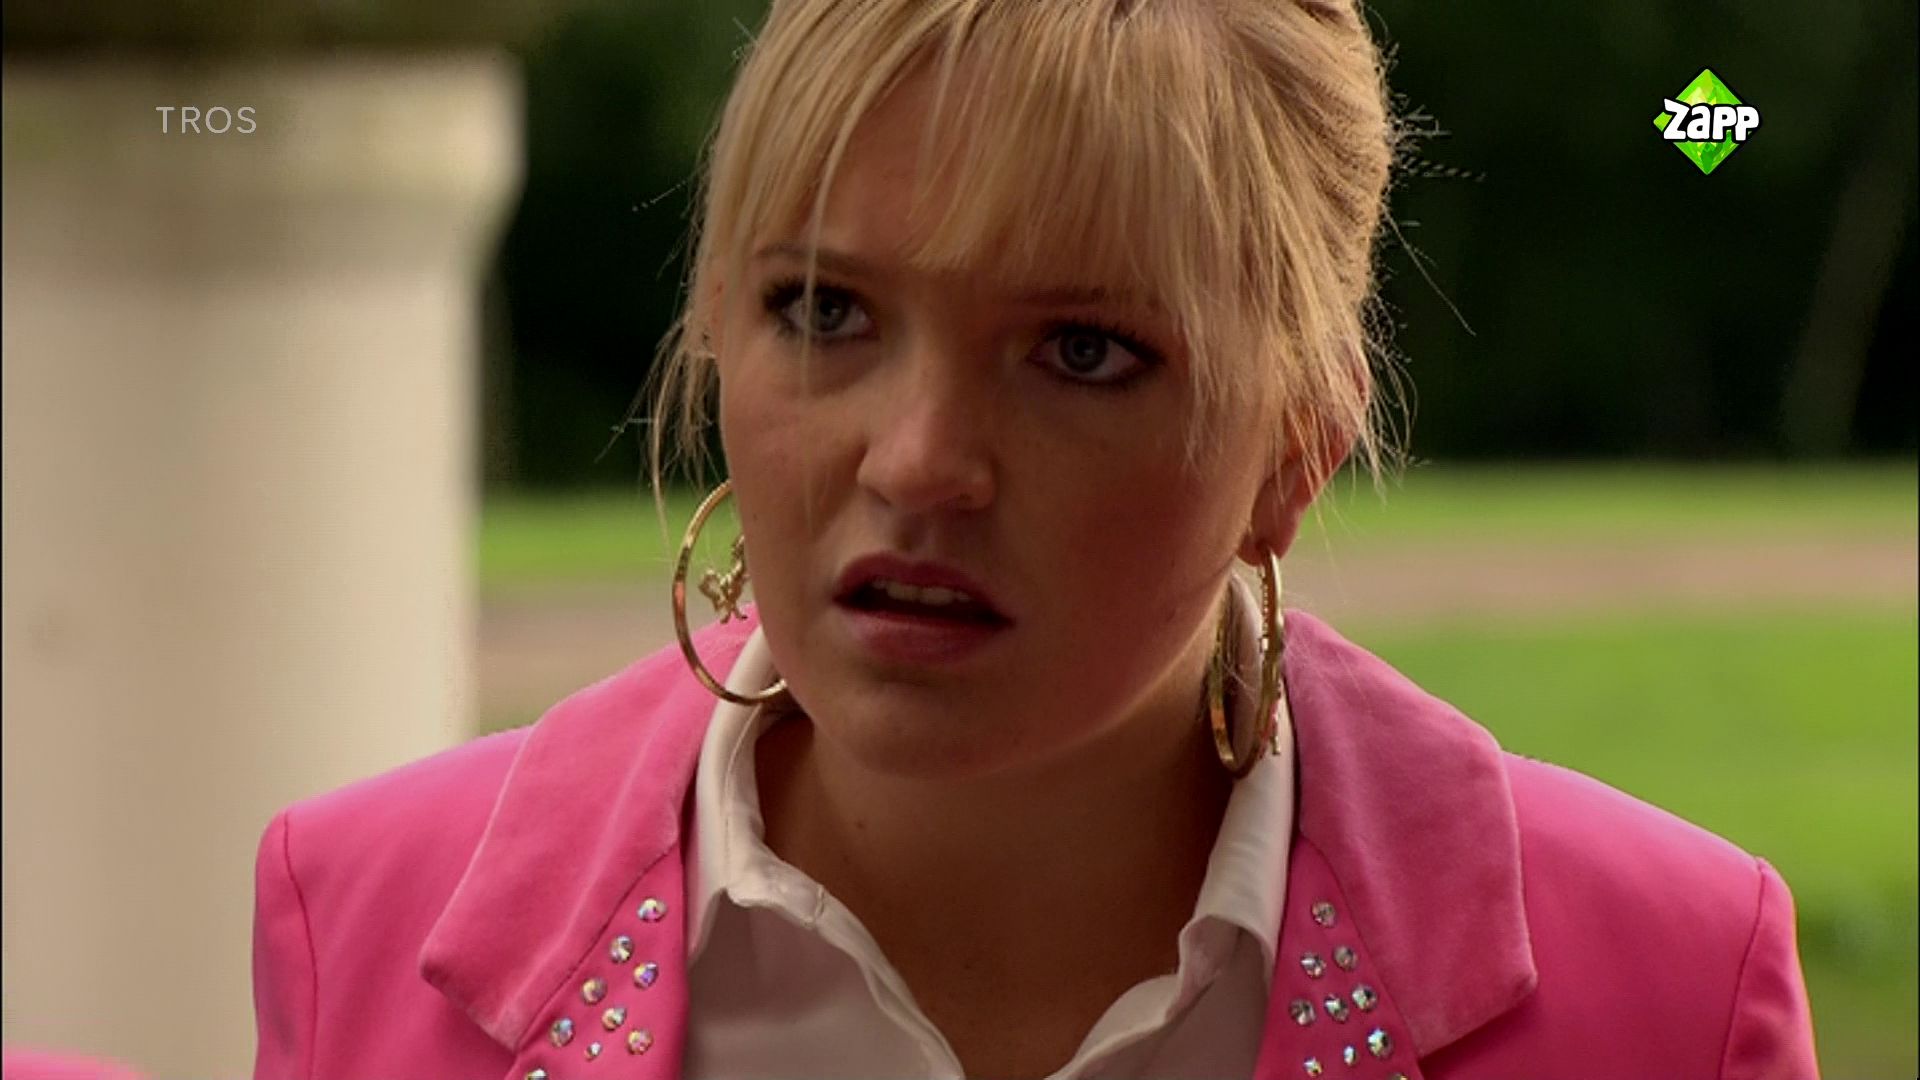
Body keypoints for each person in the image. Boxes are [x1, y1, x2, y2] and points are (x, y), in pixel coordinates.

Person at [251, 1, 1820, 1077]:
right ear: (717, 327)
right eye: (826, 311)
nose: (921, 462)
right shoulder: (361, 919)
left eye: (1081, 351)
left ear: (1296, 446)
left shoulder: (1668, 989)